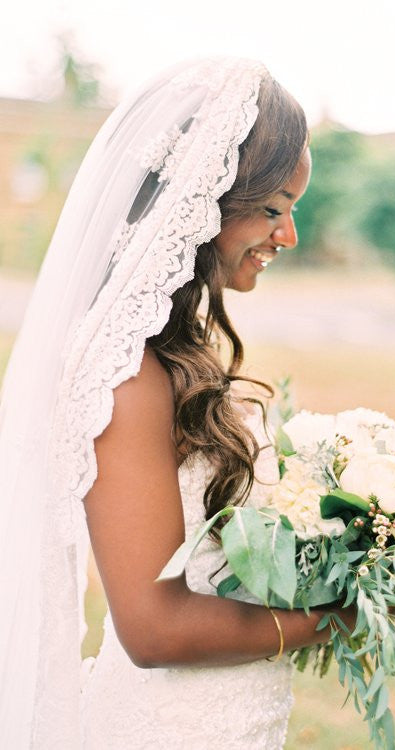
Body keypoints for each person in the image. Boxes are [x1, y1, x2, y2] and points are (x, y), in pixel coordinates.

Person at [0, 57, 354, 749]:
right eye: (275, 210)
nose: (289, 237)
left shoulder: (176, 351)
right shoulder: (128, 374)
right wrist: (339, 616)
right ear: (205, 200)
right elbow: (153, 626)